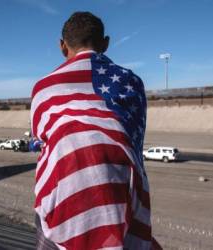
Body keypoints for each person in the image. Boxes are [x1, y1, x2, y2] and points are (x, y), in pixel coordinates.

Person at [31, 12, 160, 249]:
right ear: (105, 43)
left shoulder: (43, 88)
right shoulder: (132, 82)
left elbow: (41, 139)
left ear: (62, 46)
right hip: (121, 189)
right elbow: (134, 141)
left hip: (62, 195)